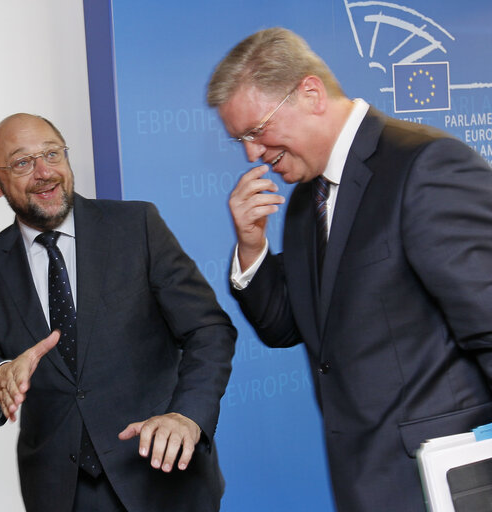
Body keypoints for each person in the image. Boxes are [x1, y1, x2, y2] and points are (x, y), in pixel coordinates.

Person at [207, 27, 492, 512]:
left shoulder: (424, 165)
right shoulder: (303, 203)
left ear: (311, 93)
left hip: (448, 490)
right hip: (364, 484)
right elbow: (287, 325)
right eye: (240, 139)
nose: (251, 153)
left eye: (256, 131)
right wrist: (251, 247)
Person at [0, 113, 236, 511]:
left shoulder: (137, 226)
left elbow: (208, 330)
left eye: (52, 154)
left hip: (162, 476)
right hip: (61, 493)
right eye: (22, 162)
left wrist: (188, 416)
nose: (44, 172)